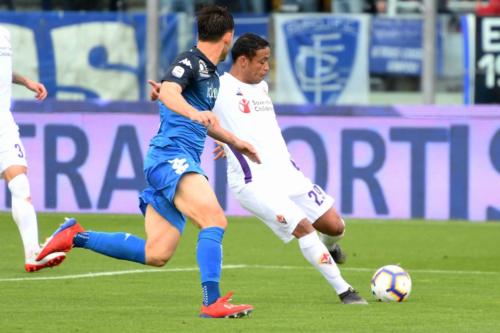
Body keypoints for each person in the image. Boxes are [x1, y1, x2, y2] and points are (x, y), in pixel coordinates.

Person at [36, 5, 259, 318]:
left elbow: (183, 104)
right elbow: (170, 91)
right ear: (228, 37)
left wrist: (236, 143)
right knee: (214, 220)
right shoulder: (190, 61)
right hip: (172, 158)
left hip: (172, 162)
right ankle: (212, 302)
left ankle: (76, 236)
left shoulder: (211, 76)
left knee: (157, 253)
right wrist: (188, 109)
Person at [151, 33, 367, 304]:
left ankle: (330, 247)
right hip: (253, 181)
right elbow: (186, 101)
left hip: (288, 173)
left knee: (335, 226)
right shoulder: (218, 87)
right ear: (243, 60)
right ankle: (345, 291)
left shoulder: (262, 88)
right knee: (303, 228)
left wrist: (226, 142)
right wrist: (161, 90)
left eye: (269, 61)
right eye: (262, 61)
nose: (267, 68)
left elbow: (245, 125)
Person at [0, 26, 66, 272]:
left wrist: (26, 81)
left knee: (19, 184)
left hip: (3, 119)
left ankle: (33, 253)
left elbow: (3, 71)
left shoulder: (3, 32)